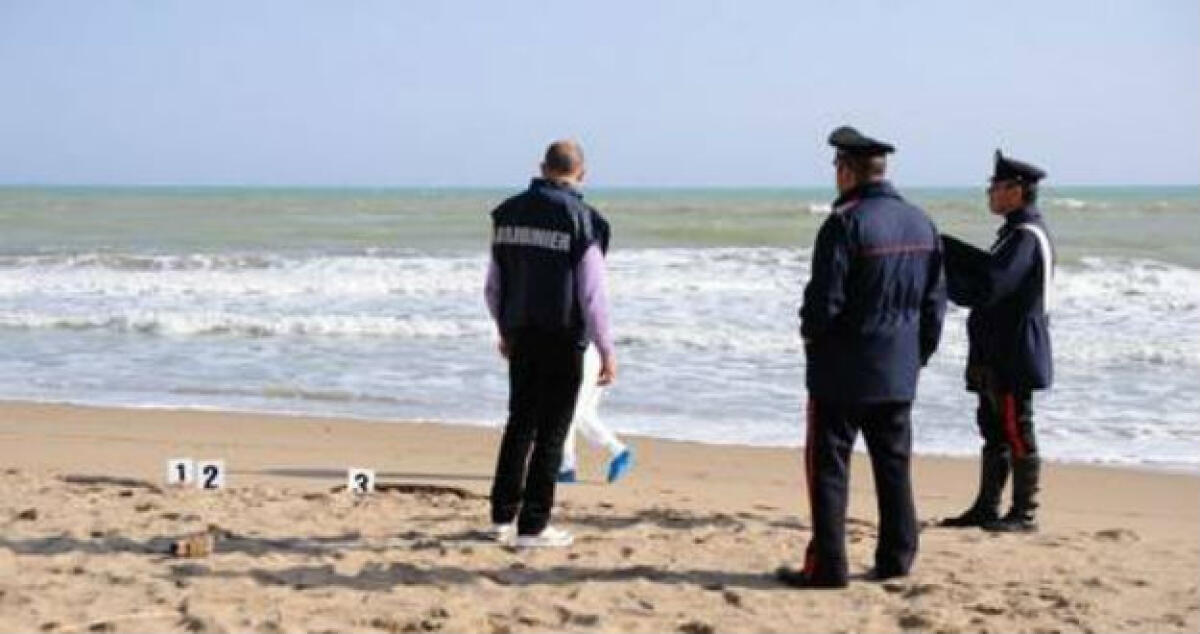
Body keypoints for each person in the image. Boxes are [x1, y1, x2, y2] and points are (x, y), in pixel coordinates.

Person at [777, 126, 946, 588]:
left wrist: (811, 339)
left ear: (848, 172)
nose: (835, 174)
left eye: (836, 166)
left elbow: (823, 303)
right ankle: (896, 557)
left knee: (829, 469)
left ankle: (829, 566)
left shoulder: (844, 223)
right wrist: (917, 357)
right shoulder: (922, 222)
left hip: (841, 372)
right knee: (894, 467)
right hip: (897, 369)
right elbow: (935, 306)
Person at [484, 139, 617, 548]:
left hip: (521, 332)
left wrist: (504, 329)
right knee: (552, 432)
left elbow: (493, 285)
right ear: (582, 173)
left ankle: (502, 517)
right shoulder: (584, 219)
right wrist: (607, 349)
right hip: (561, 337)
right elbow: (592, 295)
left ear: (543, 168)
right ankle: (534, 526)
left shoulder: (508, 213)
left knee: (519, 424)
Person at [938, 150, 1053, 533]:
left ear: (1017, 191)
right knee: (993, 428)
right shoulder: (1014, 234)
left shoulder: (1024, 237)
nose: (989, 192)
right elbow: (988, 268)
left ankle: (1025, 512)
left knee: (1015, 427)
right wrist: (943, 246)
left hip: (1013, 349)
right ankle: (987, 507)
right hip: (998, 347)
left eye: (996, 186)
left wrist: (944, 280)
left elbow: (990, 286)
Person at [557, 343, 634, 484]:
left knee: (568, 411)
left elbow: (598, 325)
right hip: (588, 352)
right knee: (583, 412)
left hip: (584, 352)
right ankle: (619, 450)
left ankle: (566, 468)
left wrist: (608, 356)